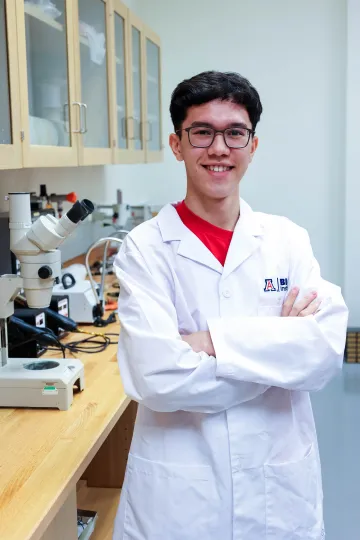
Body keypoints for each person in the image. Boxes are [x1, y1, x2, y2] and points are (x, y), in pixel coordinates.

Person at [112, 71, 348, 540]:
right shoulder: (144, 248)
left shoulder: (287, 240)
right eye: (201, 132)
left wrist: (208, 342)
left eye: (234, 133)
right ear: (177, 144)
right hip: (180, 501)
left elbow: (322, 353)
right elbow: (157, 378)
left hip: (278, 493)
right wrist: (277, 353)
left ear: (252, 146)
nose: (219, 148)